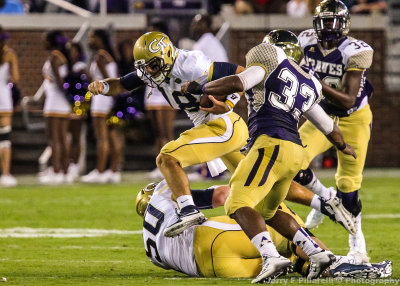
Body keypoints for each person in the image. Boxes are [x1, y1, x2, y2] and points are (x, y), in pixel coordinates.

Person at [183, 29, 357, 283]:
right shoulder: (308, 79)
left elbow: (239, 82)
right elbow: (327, 125)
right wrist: (344, 147)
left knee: (237, 202)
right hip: (294, 153)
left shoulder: (267, 56)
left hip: (271, 143)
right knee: (267, 210)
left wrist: (201, 87)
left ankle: (270, 257)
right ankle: (315, 252)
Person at [87, 31, 249, 237]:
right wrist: (103, 86)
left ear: (167, 56)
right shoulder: (154, 68)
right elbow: (122, 83)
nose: (148, 72)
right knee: (255, 187)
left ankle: (189, 211)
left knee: (167, 158)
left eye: (152, 66)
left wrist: (229, 102)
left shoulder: (191, 65)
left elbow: (242, 73)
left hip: (221, 125)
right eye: (143, 67)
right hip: (210, 129)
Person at [135, 180, 393, 280]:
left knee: (290, 261)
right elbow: (225, 195)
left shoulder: (150, 249)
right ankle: (335, 262)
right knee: (270, 211)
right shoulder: (163, 190)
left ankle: (335, 272)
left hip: (214, 270)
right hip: (214, 240)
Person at [296, 0, 374, 263]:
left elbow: (349, 99)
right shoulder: (304, 42)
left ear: (344, 24)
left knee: (348, 186)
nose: (328, 26)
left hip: (353, 117)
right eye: (324, 21)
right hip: (322, 115)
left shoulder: (357, 50)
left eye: (333, 21)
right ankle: (325, 197)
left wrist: (315, 82)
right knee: (293, 162)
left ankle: (357, 245)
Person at [81, 29, 122, 184]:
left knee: (101, 137)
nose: (90, 40)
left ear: (100, 39)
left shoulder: (100, 56)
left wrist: (90, 77)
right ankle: (113, 170)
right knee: (111, 136)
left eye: (92, 37)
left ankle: (100, 171)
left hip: (102, 99)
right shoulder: (110, 56)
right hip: (109, 99)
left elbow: (107, 80)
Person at [144, 21, 176, 180]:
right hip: (152, 92)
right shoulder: (145, 49)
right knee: (157, 133)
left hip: (166, 92)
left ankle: (170, 164)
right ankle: (160, 164)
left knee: (166, 132)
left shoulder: (167, 49)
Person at [39, 30, 71, 185]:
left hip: (56, 102)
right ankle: (63, 171)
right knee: (61, 138)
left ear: (51, 41)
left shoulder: (55, 57)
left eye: (45, 40)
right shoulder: (59, 56)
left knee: (55, 138)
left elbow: (60, 83)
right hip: (56, 101)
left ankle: (58, 170)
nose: (43, 42)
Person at [64, 42, 90, 182]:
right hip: (66, 105)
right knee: (66, 137)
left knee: (75, 137)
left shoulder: (81, 67)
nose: (71, 53)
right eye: (69, 51)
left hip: (77, 106)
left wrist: (83, 106)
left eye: (74, 51)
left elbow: (88, 85)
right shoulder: (66, 67)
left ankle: (74, 165)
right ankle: (67, 164)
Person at [0, 27, 19, 187]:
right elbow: (16, 78)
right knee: (5, 139)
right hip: (4, 99)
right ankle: (5, 174)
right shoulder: (9, 54)